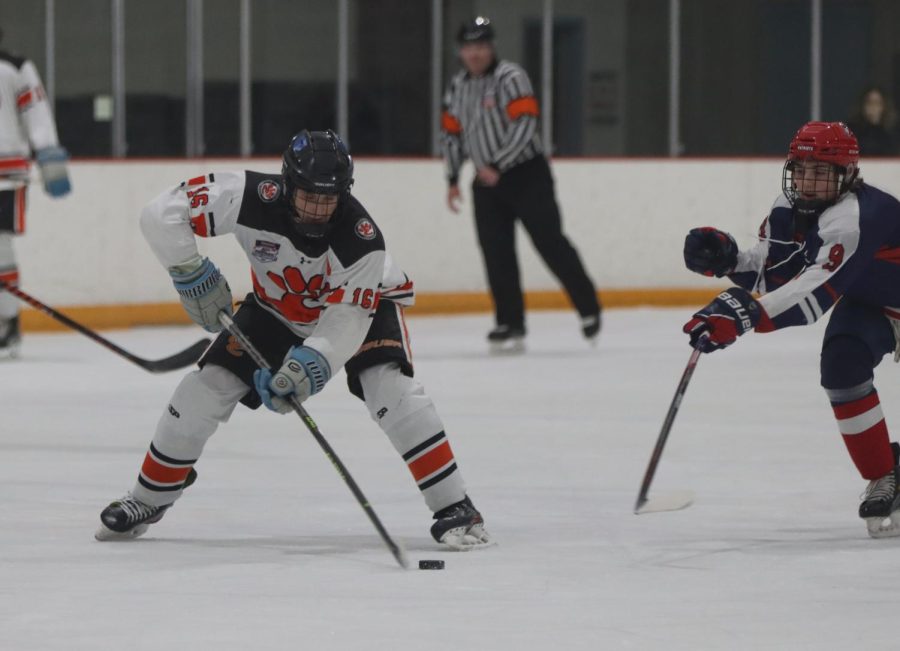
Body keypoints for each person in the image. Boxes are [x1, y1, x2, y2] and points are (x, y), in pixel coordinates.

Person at [95, 130, 491, 550]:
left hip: (366, 307)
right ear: (287, 185)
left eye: (330, 197)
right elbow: (160, 214)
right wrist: (190, 272)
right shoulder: (246, 195)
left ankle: (454, 506)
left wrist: (309, 367)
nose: (320, 208)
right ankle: (147, 498)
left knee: (389, 390)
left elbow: (346, 320)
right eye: (309, 196)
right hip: (273, 309)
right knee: (202, 390)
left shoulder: (361, 241)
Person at [682, 121, 900, 538]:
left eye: (820, 171)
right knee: (842, 364)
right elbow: (775, 275)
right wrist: (729, 262)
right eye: (800, 168)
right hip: (874, 305)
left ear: (848, 175)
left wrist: (744, 313)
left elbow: (810, 295)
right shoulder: (789, 207)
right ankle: (884, 476)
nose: (806, 181)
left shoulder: (855, 216)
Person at [440, 16, 601, 353]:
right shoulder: (457, 87)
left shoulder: (511, 77)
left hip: (526, 174)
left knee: (549, 242)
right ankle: (509, 321)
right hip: (485, 182)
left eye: (482, 46)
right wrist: (453, 177)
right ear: (461, 51)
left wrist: (499, 163)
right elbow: (452, 134)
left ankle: (588, 308)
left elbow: (526, 123)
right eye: (470, 47)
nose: (476, 53)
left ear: (491, 48)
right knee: (496, 253)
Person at [0, 29, 71, 357]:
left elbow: (37, 114)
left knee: (0, 247)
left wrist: (48, 155)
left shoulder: (15, 67)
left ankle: (6, 321)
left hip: (6, 175)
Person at [847, 86, 898, 157]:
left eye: (877, 103)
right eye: (870, 103)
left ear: (884, 107)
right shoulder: (852, 132)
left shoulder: (892, 134)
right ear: (863, 106)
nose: (873, 107)